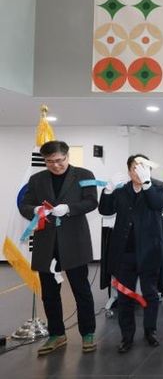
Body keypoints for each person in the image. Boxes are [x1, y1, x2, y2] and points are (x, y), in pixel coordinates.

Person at [19, 140, 98, 356]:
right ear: (44, 161)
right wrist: (35, 210)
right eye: (50, 162)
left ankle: (88, 333)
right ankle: (56, 334)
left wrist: (69, 208)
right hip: (46, 243)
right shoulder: (37, 179)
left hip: (74, 242)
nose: (55, 165)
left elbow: (92, 201)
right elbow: (24, 205)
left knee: (81, 291)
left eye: (59, 160)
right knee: (49, 294)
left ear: (67, 156)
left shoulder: (84, 175)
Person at [98, 154, 163, 353]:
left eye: (143, 168)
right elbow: (105, 210)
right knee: (124, 296)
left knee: (150, 294)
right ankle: (126, 336)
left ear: (149, 170)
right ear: (129, 171)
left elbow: (159, 205)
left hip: (149, 251)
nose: (138, 172)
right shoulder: (122, 189)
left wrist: (147, 184)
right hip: (124, 252)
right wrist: (108, 190)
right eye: (135, 168)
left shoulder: (157, 186)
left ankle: (150, 331)